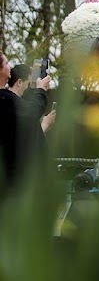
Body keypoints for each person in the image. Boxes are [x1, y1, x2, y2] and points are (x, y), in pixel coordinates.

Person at [0, 56, 55, 187]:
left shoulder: (10, 102)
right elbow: (32, 112)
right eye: (6, 63)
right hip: (16, 181)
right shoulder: (5, 99)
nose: (10, 66)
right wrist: (40, 90)